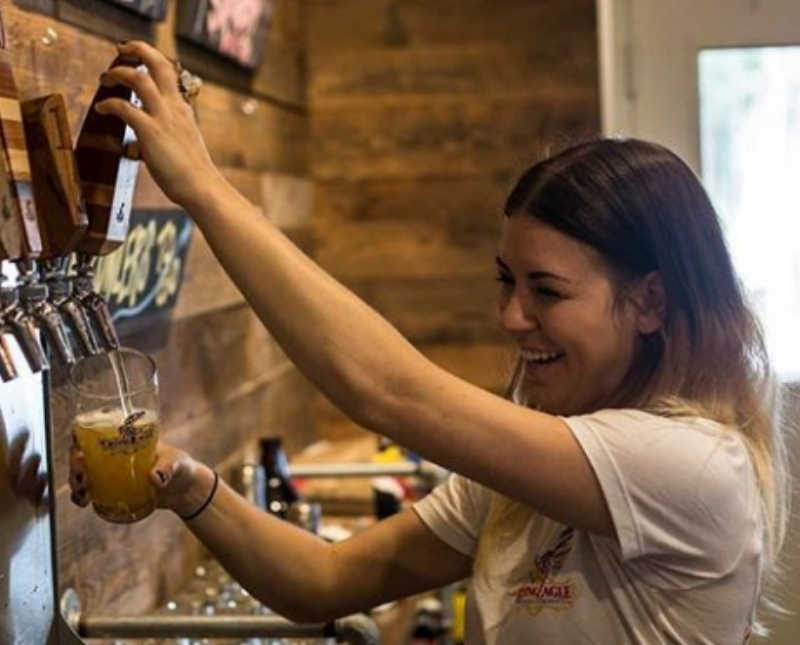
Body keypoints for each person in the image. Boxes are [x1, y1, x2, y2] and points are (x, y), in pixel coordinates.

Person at [69, 41, 789, 644]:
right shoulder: (533, 471)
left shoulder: (693, 465)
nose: (512, 316)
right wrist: (193, 489)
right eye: (507, 281)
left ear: (650, 302)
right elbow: (328, 580)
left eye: (548, 290)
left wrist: (202, 184)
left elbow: (385, 390)